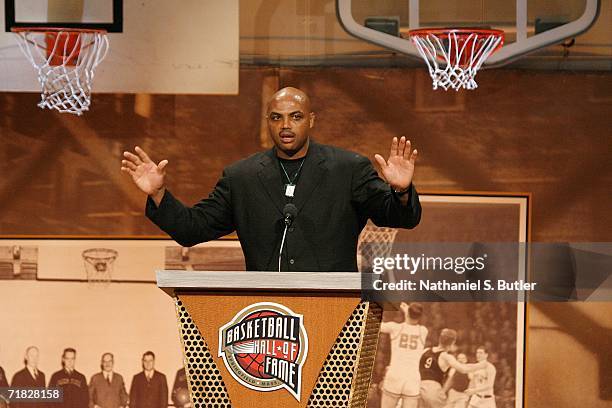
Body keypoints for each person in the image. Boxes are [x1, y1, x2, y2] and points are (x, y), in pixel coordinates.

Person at [121, 87, 421, 271]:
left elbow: (397, 216)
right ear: (268, 122)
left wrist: (402, 190)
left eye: (296, 116)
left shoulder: (348, 168)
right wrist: (159, 195)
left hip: (334, 312)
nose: (286, 125)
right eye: (277, 117)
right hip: (266, 319)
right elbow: (192, 228)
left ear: (311, 120)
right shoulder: (242, 178)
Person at [419, 330, 487, 408]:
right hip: (433, 389)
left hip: (418, 387)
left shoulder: (425, 350)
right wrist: (480, 365)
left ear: (439, 339)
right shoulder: (445, 356)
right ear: (452, 343)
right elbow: (463, 369)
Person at [380, 302, 428, 408]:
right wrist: (408, 311)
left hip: (395, 375)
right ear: (420, 316)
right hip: (412, 378)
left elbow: (377, 325)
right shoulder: (423, 331)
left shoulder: (395, 328)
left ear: (408, 314)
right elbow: (413, 319)